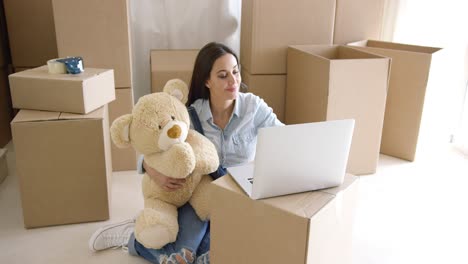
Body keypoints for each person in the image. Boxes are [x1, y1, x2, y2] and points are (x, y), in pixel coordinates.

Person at [88, 42, 283, 264]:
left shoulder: (254, 108)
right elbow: (151, 150)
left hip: (238, 196)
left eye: (236, 71)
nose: (233, 80)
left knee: (214, 254)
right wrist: (155, 172)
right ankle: (133, 238)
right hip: (198, 195)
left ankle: (141, 241)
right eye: (223, 75)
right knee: (185, 253)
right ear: (207, 80)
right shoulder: (191, 114)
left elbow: (285, 139)